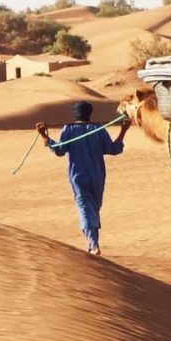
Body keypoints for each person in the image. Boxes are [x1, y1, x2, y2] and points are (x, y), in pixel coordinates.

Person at [38, 101, 129, 255]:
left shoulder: (69, 129)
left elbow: (59, 150)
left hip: (78, 176)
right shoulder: (97, 129)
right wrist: (123, 131)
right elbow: (113, 149)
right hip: (97, 177)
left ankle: (93, 244)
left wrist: (44, 137)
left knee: (85, 208)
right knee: (92, 208)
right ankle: (92, 244)